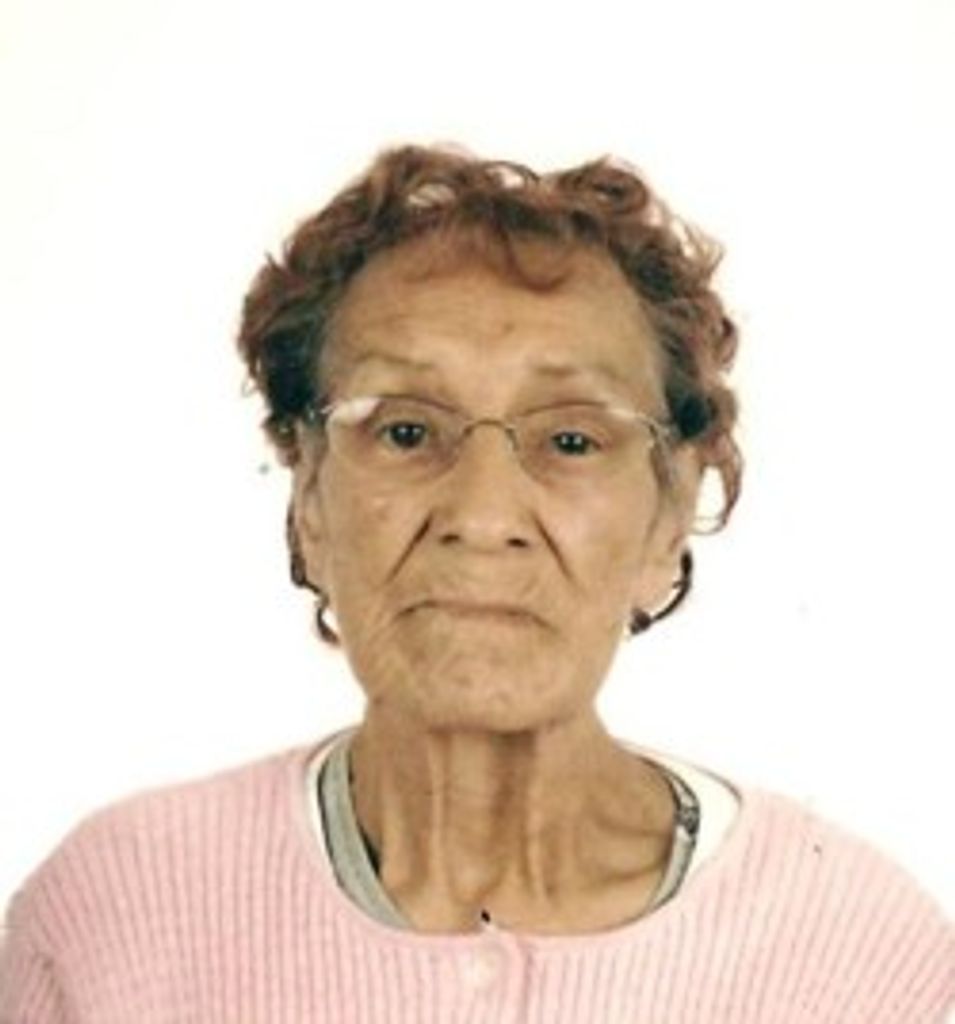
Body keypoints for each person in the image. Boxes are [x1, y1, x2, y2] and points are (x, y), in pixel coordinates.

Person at [1, 143, 952, 1023]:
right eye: (405, 431)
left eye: (571, 438)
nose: (483, 514)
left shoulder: (859, 957)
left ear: (669, 515)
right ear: (310, 497)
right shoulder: (112, 918)